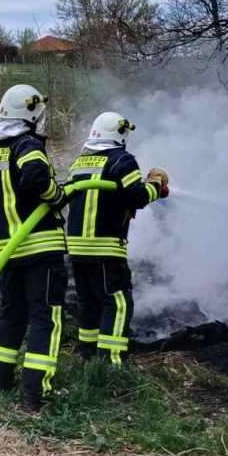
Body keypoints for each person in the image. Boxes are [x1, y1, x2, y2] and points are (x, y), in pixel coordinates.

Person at [0, 84, 68, 412]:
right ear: (30, 112)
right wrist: (58, 195)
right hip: (40, 247)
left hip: (10, 250)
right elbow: (35, 176)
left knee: (12, 315)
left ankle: (0, 381)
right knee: (45, 318)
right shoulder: (27, 144)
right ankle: (36, 394)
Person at [65, 112, 168, 366]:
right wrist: (155, 184)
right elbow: (137, 196)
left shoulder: (80, 163)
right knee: (118, 303)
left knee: (89, 302)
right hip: (105, 247)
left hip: (77, 248)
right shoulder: (122, 160)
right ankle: (111, 366)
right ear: (120, 134)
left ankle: (88, 357)